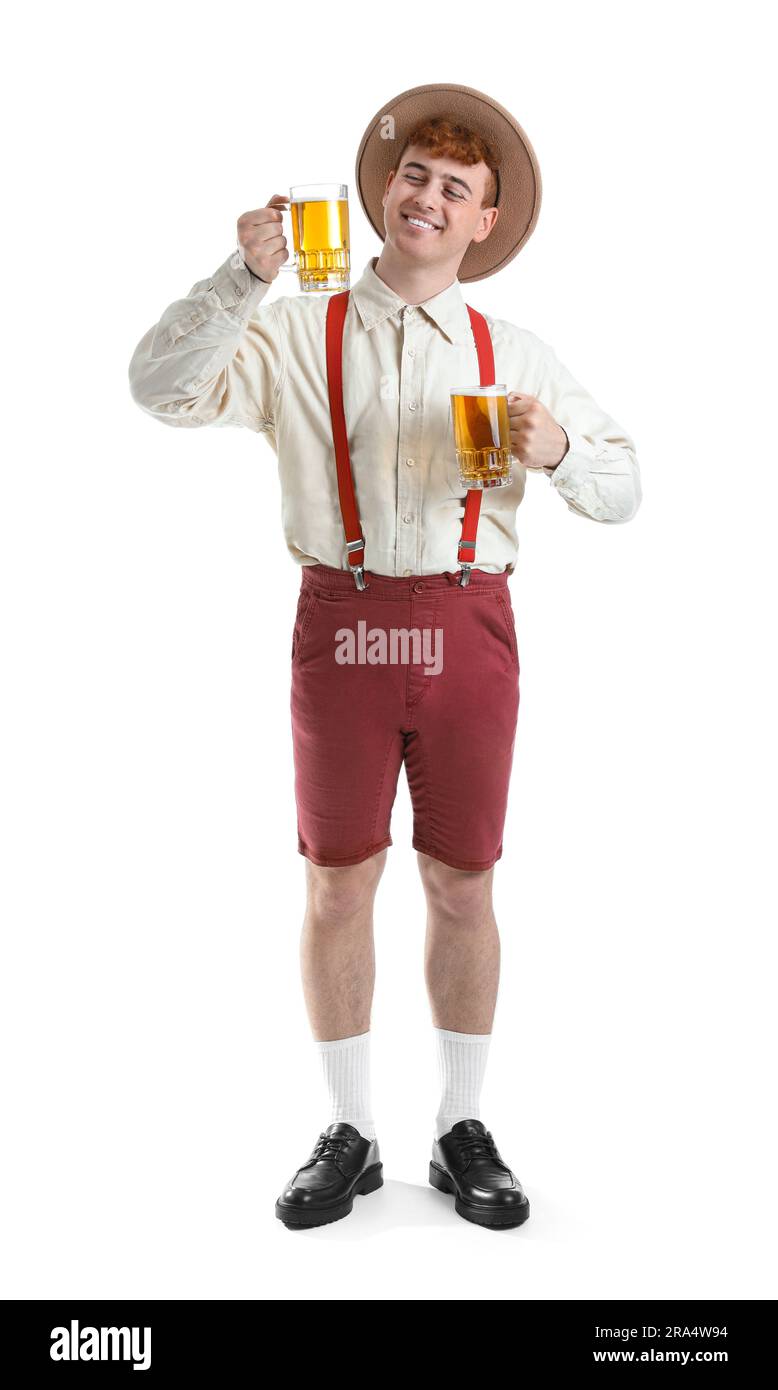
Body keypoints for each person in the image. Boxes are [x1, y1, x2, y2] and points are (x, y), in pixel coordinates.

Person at [128, 83, 641, 1232]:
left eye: (456, 188)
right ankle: (349, 1130)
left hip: (468, 626)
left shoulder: (514, 351)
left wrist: (557, 449)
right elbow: (159, 389)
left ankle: (461, 1127)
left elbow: (625, 486)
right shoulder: (294, 330)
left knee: (463, 881)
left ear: (481, 225)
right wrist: (237, 279)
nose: (428, 194)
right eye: (415, 174)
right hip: (343, 621)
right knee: (336, 877)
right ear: (384, 194)